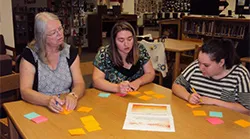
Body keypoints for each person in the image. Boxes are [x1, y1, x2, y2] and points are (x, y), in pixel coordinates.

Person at [19, 12, 85, 113]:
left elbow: (79, 83)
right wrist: (47, 100)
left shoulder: (70, 52)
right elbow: (25, 91)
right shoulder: (30, 55)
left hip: (65, 106)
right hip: (39, 106)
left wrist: (73, 95)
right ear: (42, 36)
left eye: (60, 28)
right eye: (53, 32)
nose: (59, 34)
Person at [172, 38, 250, 115]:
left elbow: (247, 110)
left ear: (221, 62)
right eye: (199, 62)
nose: (200, 68)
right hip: (195, 117)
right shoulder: (197, 65)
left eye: (206, 65)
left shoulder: (240, 74)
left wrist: (214, 102)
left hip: (225, 123)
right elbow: (176, 85)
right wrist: (188, 96)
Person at [92, 21, 155, 94]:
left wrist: (138, 82)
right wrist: (117, 88)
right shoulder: (104, 54)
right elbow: (96, 81)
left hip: (134, 95)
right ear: (114, 41)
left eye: (129, 39)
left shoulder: (140, 49)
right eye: (121, 40)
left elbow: (150, 73)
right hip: (110, 96)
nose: (126, 44)